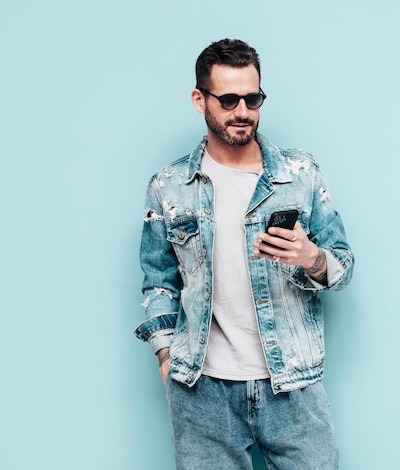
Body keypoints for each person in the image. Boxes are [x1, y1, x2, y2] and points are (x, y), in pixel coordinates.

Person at [133, 38, 354, 469]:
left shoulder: (300, 174)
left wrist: (312, 258)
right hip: (202, 389)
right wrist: (164, 355)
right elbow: (158, 279)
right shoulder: (169, 185)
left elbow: (343, 265)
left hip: (293, 384)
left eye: (252, 98)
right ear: (200, 100)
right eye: (229, 99)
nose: (242, 111)